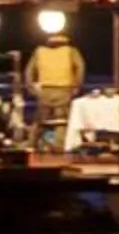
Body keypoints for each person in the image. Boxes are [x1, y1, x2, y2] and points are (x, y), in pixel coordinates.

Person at [28, 23, 85, 152]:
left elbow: (29, 70)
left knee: (40, 120)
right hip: (64, 89)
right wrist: (77, 85)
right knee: (62, 121)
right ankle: (59, 146)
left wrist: (31, 86)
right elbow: (80, 67)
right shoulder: (71, 51)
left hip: (45, 90)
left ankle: (33, 144)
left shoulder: (39, 51)